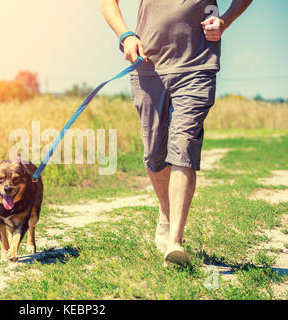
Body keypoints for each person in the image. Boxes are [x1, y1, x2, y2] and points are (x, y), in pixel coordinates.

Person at [100, 0, 253, 267]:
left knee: (183, 145)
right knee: (154, 155)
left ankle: (175, 242)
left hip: (197, 65)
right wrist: (125, 35)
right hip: (147, 65)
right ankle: (166, 212)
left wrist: (225, 20)